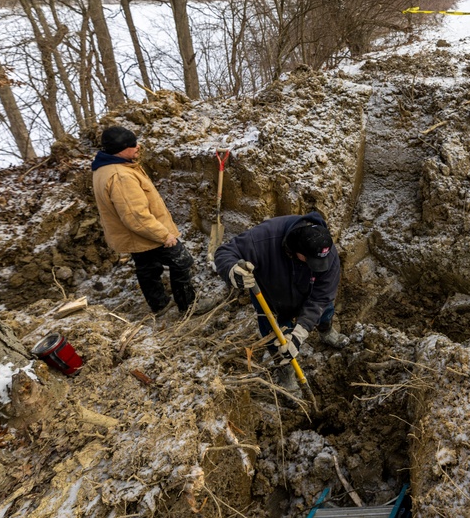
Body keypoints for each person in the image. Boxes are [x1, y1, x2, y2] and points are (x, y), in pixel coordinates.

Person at [214, 211, 350, 391]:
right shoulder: (265, 237)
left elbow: (322, 297)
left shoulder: (326, 253)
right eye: (310, 261)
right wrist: (231, 271)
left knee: (324, 310)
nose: (316, 266)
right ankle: (284, 369)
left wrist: (299, 334)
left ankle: (326, 331)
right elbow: (226, 252)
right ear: (296, 249)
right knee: (275, 337)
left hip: (307, 293)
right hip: (271, 298)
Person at [91, 126, 206, 315]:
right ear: (120, 149)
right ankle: (188, 306)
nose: (138, 147)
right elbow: (136, 216)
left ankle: (159, 304)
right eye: (132, 145)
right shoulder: (121, 176)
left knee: (148, 267)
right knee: (182, 261)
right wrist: (163, 235)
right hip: (144, 232)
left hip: (134, 235)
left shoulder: (106, 167)